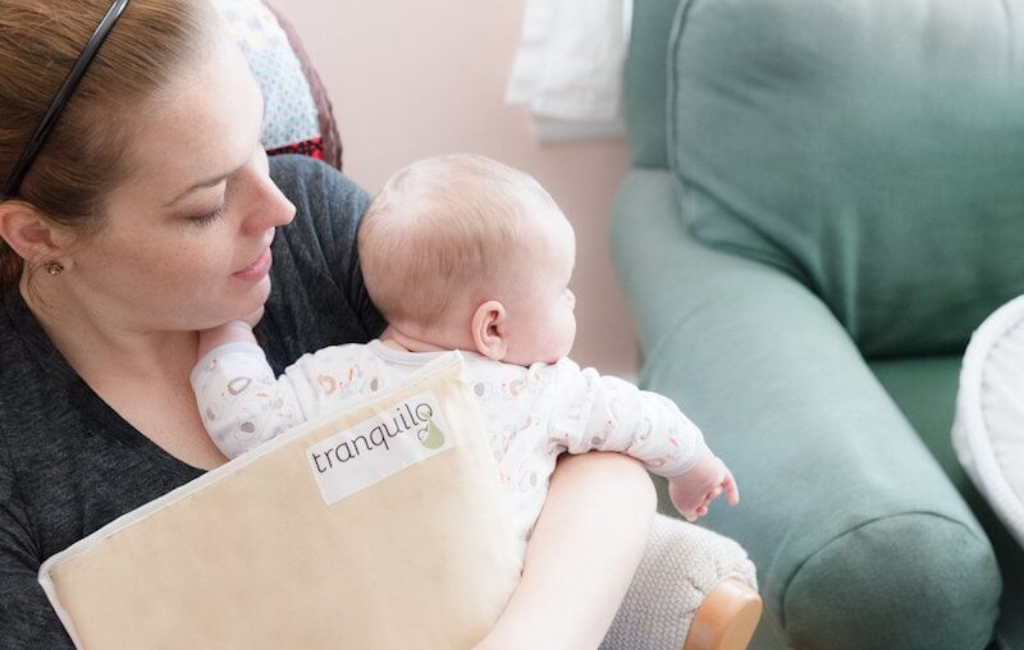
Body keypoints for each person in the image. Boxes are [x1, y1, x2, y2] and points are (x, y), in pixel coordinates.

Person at [0, 2, 659, 648]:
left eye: (255, 142)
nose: (276, 204)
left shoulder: (316, 231)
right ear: (38, 234)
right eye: (204, 205)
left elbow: (595, 452)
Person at [192, 154, 740, 549]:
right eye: (560, 291)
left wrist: (228, 333)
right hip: (494, 609)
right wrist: (695, 467)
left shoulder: (332, 379)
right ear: (492, 328)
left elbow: (247, 424)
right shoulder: (544, 392)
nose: (571, 300)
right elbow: (646, 421)